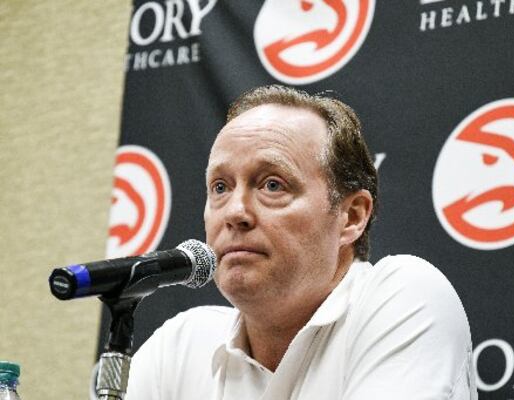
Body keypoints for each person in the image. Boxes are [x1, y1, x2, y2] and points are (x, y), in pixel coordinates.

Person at [126, 85, 477, 399]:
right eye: (220, 187)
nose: (235, 212)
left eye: (272, 185)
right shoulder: (181, 345)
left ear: (351, 216)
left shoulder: (405, 297)